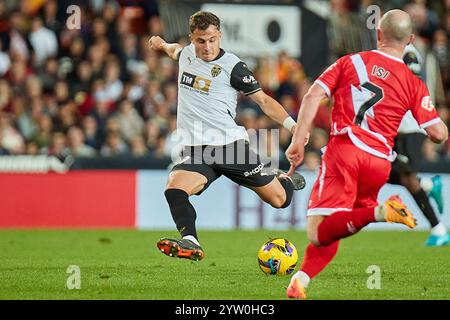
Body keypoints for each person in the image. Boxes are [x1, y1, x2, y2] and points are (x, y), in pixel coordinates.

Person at [284, 9, 448, 299]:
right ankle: (301, 280)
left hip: (345, 151)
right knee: (341, 222)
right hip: (379, 163)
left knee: (316, 232)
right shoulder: (413, 83)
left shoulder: (351, 62)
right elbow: (438, 133)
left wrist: (298, 140)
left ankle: (380, 212)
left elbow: (312, 96)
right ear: (409, 39)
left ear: (379, 34)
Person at [148, 11, 306, 261]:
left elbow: (263, 100)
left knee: (279, 200)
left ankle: (284, 180)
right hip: (198, 150)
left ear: (220, 36)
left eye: (212, 39)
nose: (208, 47)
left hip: (230, 147)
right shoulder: (187, 55)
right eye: (201, 41)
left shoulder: (233, 66)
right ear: (193, 39)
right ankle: (191, 241)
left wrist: (293, 126)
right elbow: (173, 50)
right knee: (174, 188)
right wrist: (160, 44)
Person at [387, 43, 448, 247]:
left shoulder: (406, 50)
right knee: (386, 172)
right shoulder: (389, 52)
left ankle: (439, 229)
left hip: (411, 126)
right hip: (397, 128)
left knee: (408, 179)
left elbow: (412, 78)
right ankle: (430, 185)